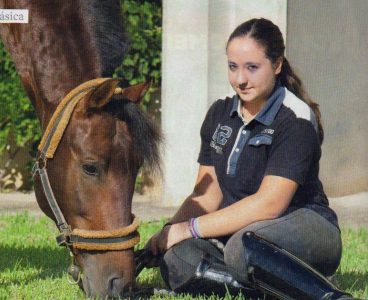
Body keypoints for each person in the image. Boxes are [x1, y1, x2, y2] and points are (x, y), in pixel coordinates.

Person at [142, 18, 353, 299]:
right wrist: (170, 233)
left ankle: (329, 297)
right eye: (233, 67)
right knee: (177, 258)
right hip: (244, 238)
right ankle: (273, 287)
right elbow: (207, 194)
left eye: (252, 67)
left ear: (277, 65)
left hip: (309, 229)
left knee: (242, 247)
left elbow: (270, 204)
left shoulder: (295, 118)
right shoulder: (220, 111)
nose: (240, 79)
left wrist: (190, 228)